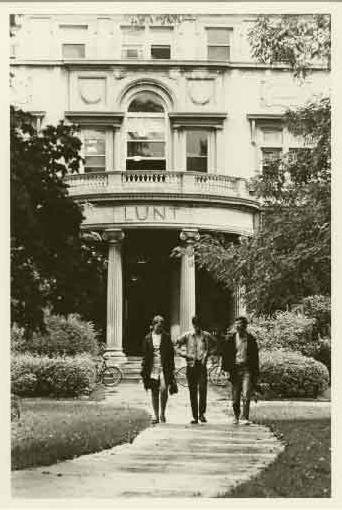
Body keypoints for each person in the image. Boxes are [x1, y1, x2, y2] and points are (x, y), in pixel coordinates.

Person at [219, 316, 259, 425]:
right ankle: (236, 416)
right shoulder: (231, 339)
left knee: (246, 395)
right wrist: (224, 369)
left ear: (245, 326)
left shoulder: (251, 339)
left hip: (247, 370)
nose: (237, 326)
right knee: (235, 398)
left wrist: (256, 373)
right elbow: (226, 355)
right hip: (235, 370)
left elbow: (255, 357)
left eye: (240, 324)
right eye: (236, 324)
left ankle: (245, 417)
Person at [175, 316, 216, 424]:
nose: (197, 327)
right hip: (191, 365)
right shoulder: (187, 335)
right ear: (193, 325)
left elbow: (215, 345)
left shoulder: (206, 336)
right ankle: (195, 416)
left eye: (199, 325)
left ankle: (202, 414)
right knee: (192, 391)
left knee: (202, 389)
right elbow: (176, 345)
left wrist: (208, 354)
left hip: (201, 365)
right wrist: (184, 354)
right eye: (195, 325)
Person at [140, 315, 175, 424]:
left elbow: (170, 355)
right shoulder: (147, 338)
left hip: (164, 368)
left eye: (161, 326)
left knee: (164, 389)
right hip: (152, 368)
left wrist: (172, 370)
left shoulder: (166, 337)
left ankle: (162, 413)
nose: (160, 328)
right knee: (154, 392)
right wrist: (144, 370)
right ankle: (156, 415)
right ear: (154, 325)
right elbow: (145, 356)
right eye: (158, 326)